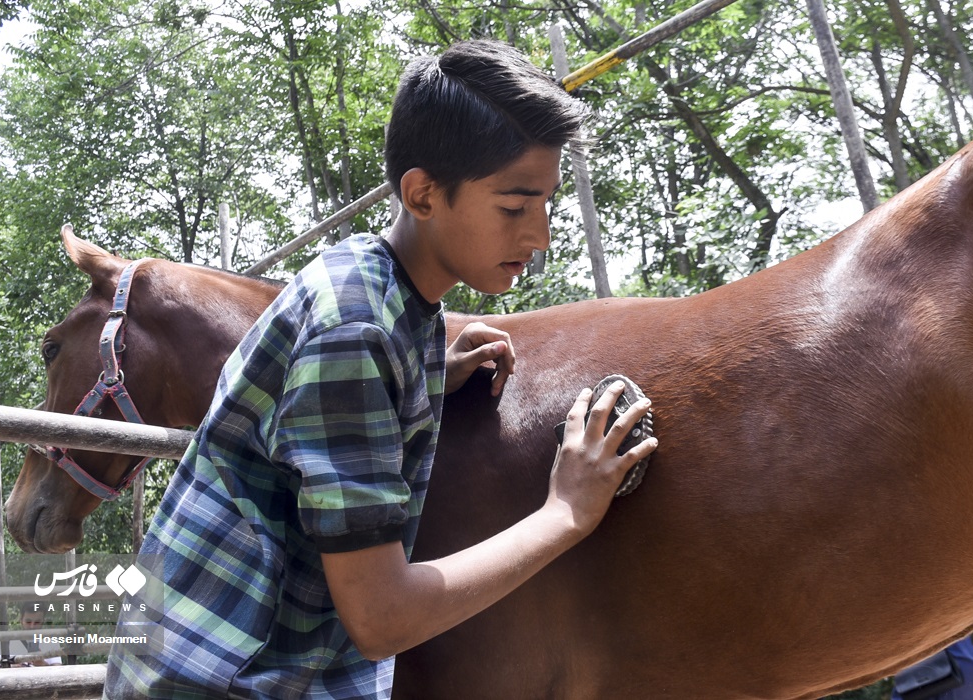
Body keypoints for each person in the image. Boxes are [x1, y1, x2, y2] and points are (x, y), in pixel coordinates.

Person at [104, 38, 658, 699]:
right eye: (514, 206)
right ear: (422, 193)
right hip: (216, 681)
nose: (540, 236)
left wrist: (426, 373)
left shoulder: (379, 286)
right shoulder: (357, 329)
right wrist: (565, 512)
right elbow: (381, 617)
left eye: (546, 203)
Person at [0, 603, 63, 668]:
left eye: (37, 622)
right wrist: (10, 667)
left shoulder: (51, 641)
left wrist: (43, 664)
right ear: (21, 620)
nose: (32, 626)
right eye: (28, 622)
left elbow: (59, 672)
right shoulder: (5, 641)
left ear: (43, 621)